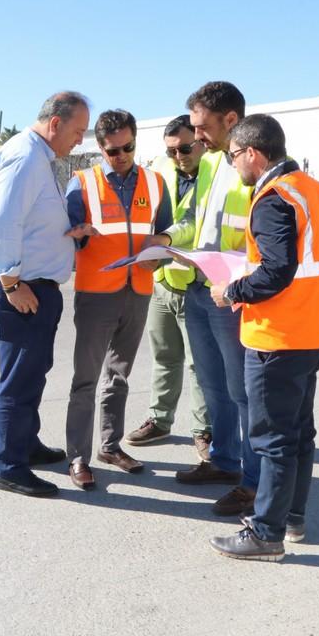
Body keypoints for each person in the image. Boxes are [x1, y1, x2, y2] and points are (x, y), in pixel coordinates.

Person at [208, 114, 319, 561]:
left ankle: (266, 533)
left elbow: (276, 271)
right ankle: (293, 517)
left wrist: (231, 292)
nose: (233, 165)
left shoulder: (273, 197)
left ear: (253, 153)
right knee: (300, 433)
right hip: (315, 331)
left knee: (272, 440)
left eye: (233, 156)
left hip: (277, 337)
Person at [0, 91, 94, 498]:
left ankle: (26, 444)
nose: (79, 140)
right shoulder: (25, 158)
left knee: (32, 372)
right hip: (19, 289)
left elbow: (30, 221)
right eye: (77, 131)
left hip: (31, 286)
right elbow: (3, 224)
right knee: (19, 380)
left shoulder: (37, 157)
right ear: (55, 123)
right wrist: (11, 283)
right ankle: (10, 466)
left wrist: (66, 234)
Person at [145, 82, 258, 516]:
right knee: (213, 385)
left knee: (241, 390)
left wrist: (234, 282)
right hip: (198, 287)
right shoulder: (211, 160)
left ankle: (252, 480)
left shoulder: (254, 165)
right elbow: (194, 216)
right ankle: (224, 462)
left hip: (230, 295)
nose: (196, 136)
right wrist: (167, 237)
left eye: (201, 126)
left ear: (230, 120)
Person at [64, 109, 173, 490]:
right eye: (113, 150)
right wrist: (78, 234)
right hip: (96, 294)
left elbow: (166, 231)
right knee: (86, 379)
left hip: (139, 290)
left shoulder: (156, 183)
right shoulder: (81, 184)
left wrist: (164, 244)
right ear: (100, 147)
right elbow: (69, 236)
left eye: (128, 147)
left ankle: (110, 446)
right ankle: (77, 457)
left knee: (119, 375)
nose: (122, 155)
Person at [125, 115, 211, 457]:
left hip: (198, 285)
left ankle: (204, 430)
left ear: (201, 142)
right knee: (164, 357)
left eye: (185, 148)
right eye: (172, 150)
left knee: (199, 364)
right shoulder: (162, 169)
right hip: (163, 281)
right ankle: (160, 421)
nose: (179, 156)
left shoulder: (217, 174)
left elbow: (191, 223)